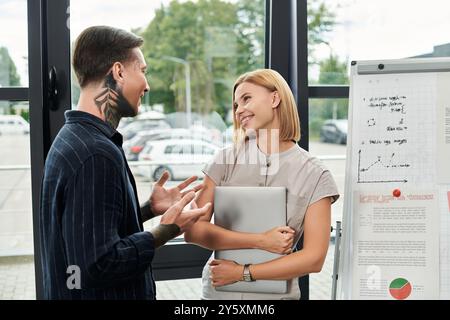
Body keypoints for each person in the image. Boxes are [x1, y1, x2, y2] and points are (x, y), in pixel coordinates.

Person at [39, 25, 211, 300]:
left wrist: (146, 210)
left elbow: (86, 231)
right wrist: (165, 230)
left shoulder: (74, 138)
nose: (147, 84)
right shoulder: (95, 154)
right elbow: (97, 264)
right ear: (118, 72)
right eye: (142, 70)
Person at [184, 69, 340, 300]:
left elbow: (314, 258)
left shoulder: (315, 174)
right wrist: (261, 240)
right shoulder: (225, 160)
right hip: (219, 292)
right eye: (236, 105)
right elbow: (193, 230)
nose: (239, 110)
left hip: (277, 296)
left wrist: (243, 273)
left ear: (275, 98)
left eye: (246, 99)